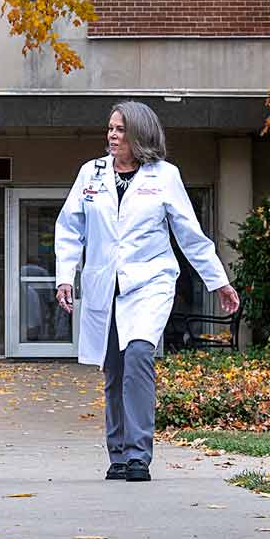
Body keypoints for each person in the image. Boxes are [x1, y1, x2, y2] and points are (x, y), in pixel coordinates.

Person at [55, 101, 240, 482]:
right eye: (110, 129)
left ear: (140, 134)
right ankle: (118, 454)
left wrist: (218, 281)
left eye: (120, 130)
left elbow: (190, 234)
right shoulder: (91, 173)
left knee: (138, 354)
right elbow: (70, 228)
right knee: (114, 369)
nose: (112, 136)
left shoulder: (164, 176)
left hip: (150, 282)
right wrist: (64, 277)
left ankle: (139, 454)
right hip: (105, 284)